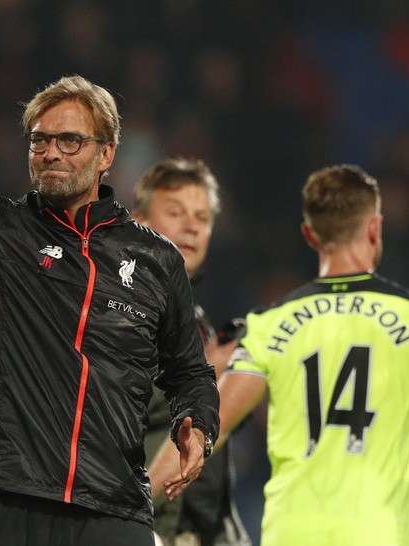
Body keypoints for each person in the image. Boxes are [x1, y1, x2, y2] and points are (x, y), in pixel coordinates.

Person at [0, 1, 221, 545]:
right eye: (40, 140)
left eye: (69, 140)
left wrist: (198, 426)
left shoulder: (155, 260)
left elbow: (189, 372)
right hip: (6, 496)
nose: (51, 152)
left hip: (113, 507)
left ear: (106, 155)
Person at [163, 164, 409, 545]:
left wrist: (133, 497)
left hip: (290, 533)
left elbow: (204, 433)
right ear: (375, 229)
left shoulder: (270, 323)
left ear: (309, 235)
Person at [133, 159, 251, 546]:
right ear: (138, 223)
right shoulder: (111, 316)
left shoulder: (198, 323)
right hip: (145, 529)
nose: (192, 225)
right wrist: (213, 374)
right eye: (175, 212)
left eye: (202, 216)